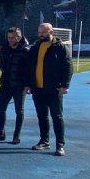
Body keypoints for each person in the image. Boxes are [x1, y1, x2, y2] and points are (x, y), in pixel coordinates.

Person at [25, 23, 72, 156]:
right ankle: (44, 141)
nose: (41, 35)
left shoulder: (60, 48)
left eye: (44, 32)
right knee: (42, 116)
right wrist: (29, 84)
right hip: (37, 89)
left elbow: (68, 67)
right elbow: (29, 68)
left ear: (51, 32)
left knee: (57, 117)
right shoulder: (35, 48)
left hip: (54, 89)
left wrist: (65, 85)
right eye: (39, 32)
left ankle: (60, 145)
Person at [0, 27, 30, 145]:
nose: (10, 40)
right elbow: (1, 64)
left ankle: (16, 136)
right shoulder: (5, 48)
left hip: (20, 85)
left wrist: (27, 84)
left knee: (19, 110)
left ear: (19, 37)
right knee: (1, 109)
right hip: (6, 84)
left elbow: (30, 69)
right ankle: (1, 133)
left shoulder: (26, 50)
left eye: (12, 38)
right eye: (8, 38)